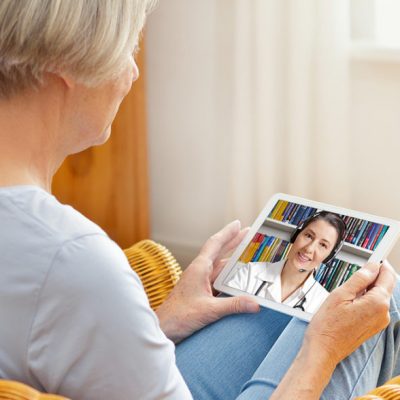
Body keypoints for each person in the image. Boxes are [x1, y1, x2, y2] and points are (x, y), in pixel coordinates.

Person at [0, 1, 397, 399]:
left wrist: (160, 322)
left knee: (305, 311)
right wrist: (322, 353)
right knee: (375, 297)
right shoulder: (75, 259)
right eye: (126, 50)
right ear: (67, 66)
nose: (133, 72)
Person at [226, 212, 346, 313]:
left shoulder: (324, 303)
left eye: (323, 245)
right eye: (308, 236)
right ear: (296, 235)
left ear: (329, 256)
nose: (309, 249)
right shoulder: (250, 272)